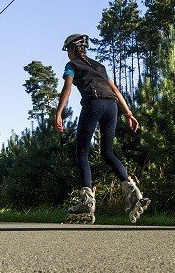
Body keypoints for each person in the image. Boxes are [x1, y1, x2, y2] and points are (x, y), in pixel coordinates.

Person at [55, 33, 150, 224]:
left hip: (93, 104)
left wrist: (59, 113)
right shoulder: (100, 67)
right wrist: (129, 114)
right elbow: (115, 90)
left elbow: (67, 88)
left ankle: (87, 202)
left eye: (67, 50)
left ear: (72, 49)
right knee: (107, 153)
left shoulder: (72, 65)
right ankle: (132, 192)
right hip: (112, 106)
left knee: (81, 152)